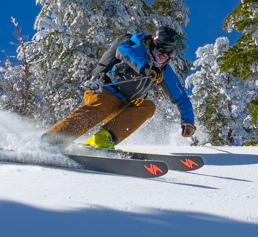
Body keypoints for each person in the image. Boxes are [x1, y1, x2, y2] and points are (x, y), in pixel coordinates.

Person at [40, 26, 196, 151]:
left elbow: (181, 97)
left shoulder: (163, 70)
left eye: (170, 52)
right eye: (162, 48)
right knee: (103, 107)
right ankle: (53, 139)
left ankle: (103, 137)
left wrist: (188, 121)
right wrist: (145, 67)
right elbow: (123, 50)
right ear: (154, 43)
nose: (164, 54)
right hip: (104, 92)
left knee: (148, 106)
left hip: (124, 105)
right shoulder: (137, 47)